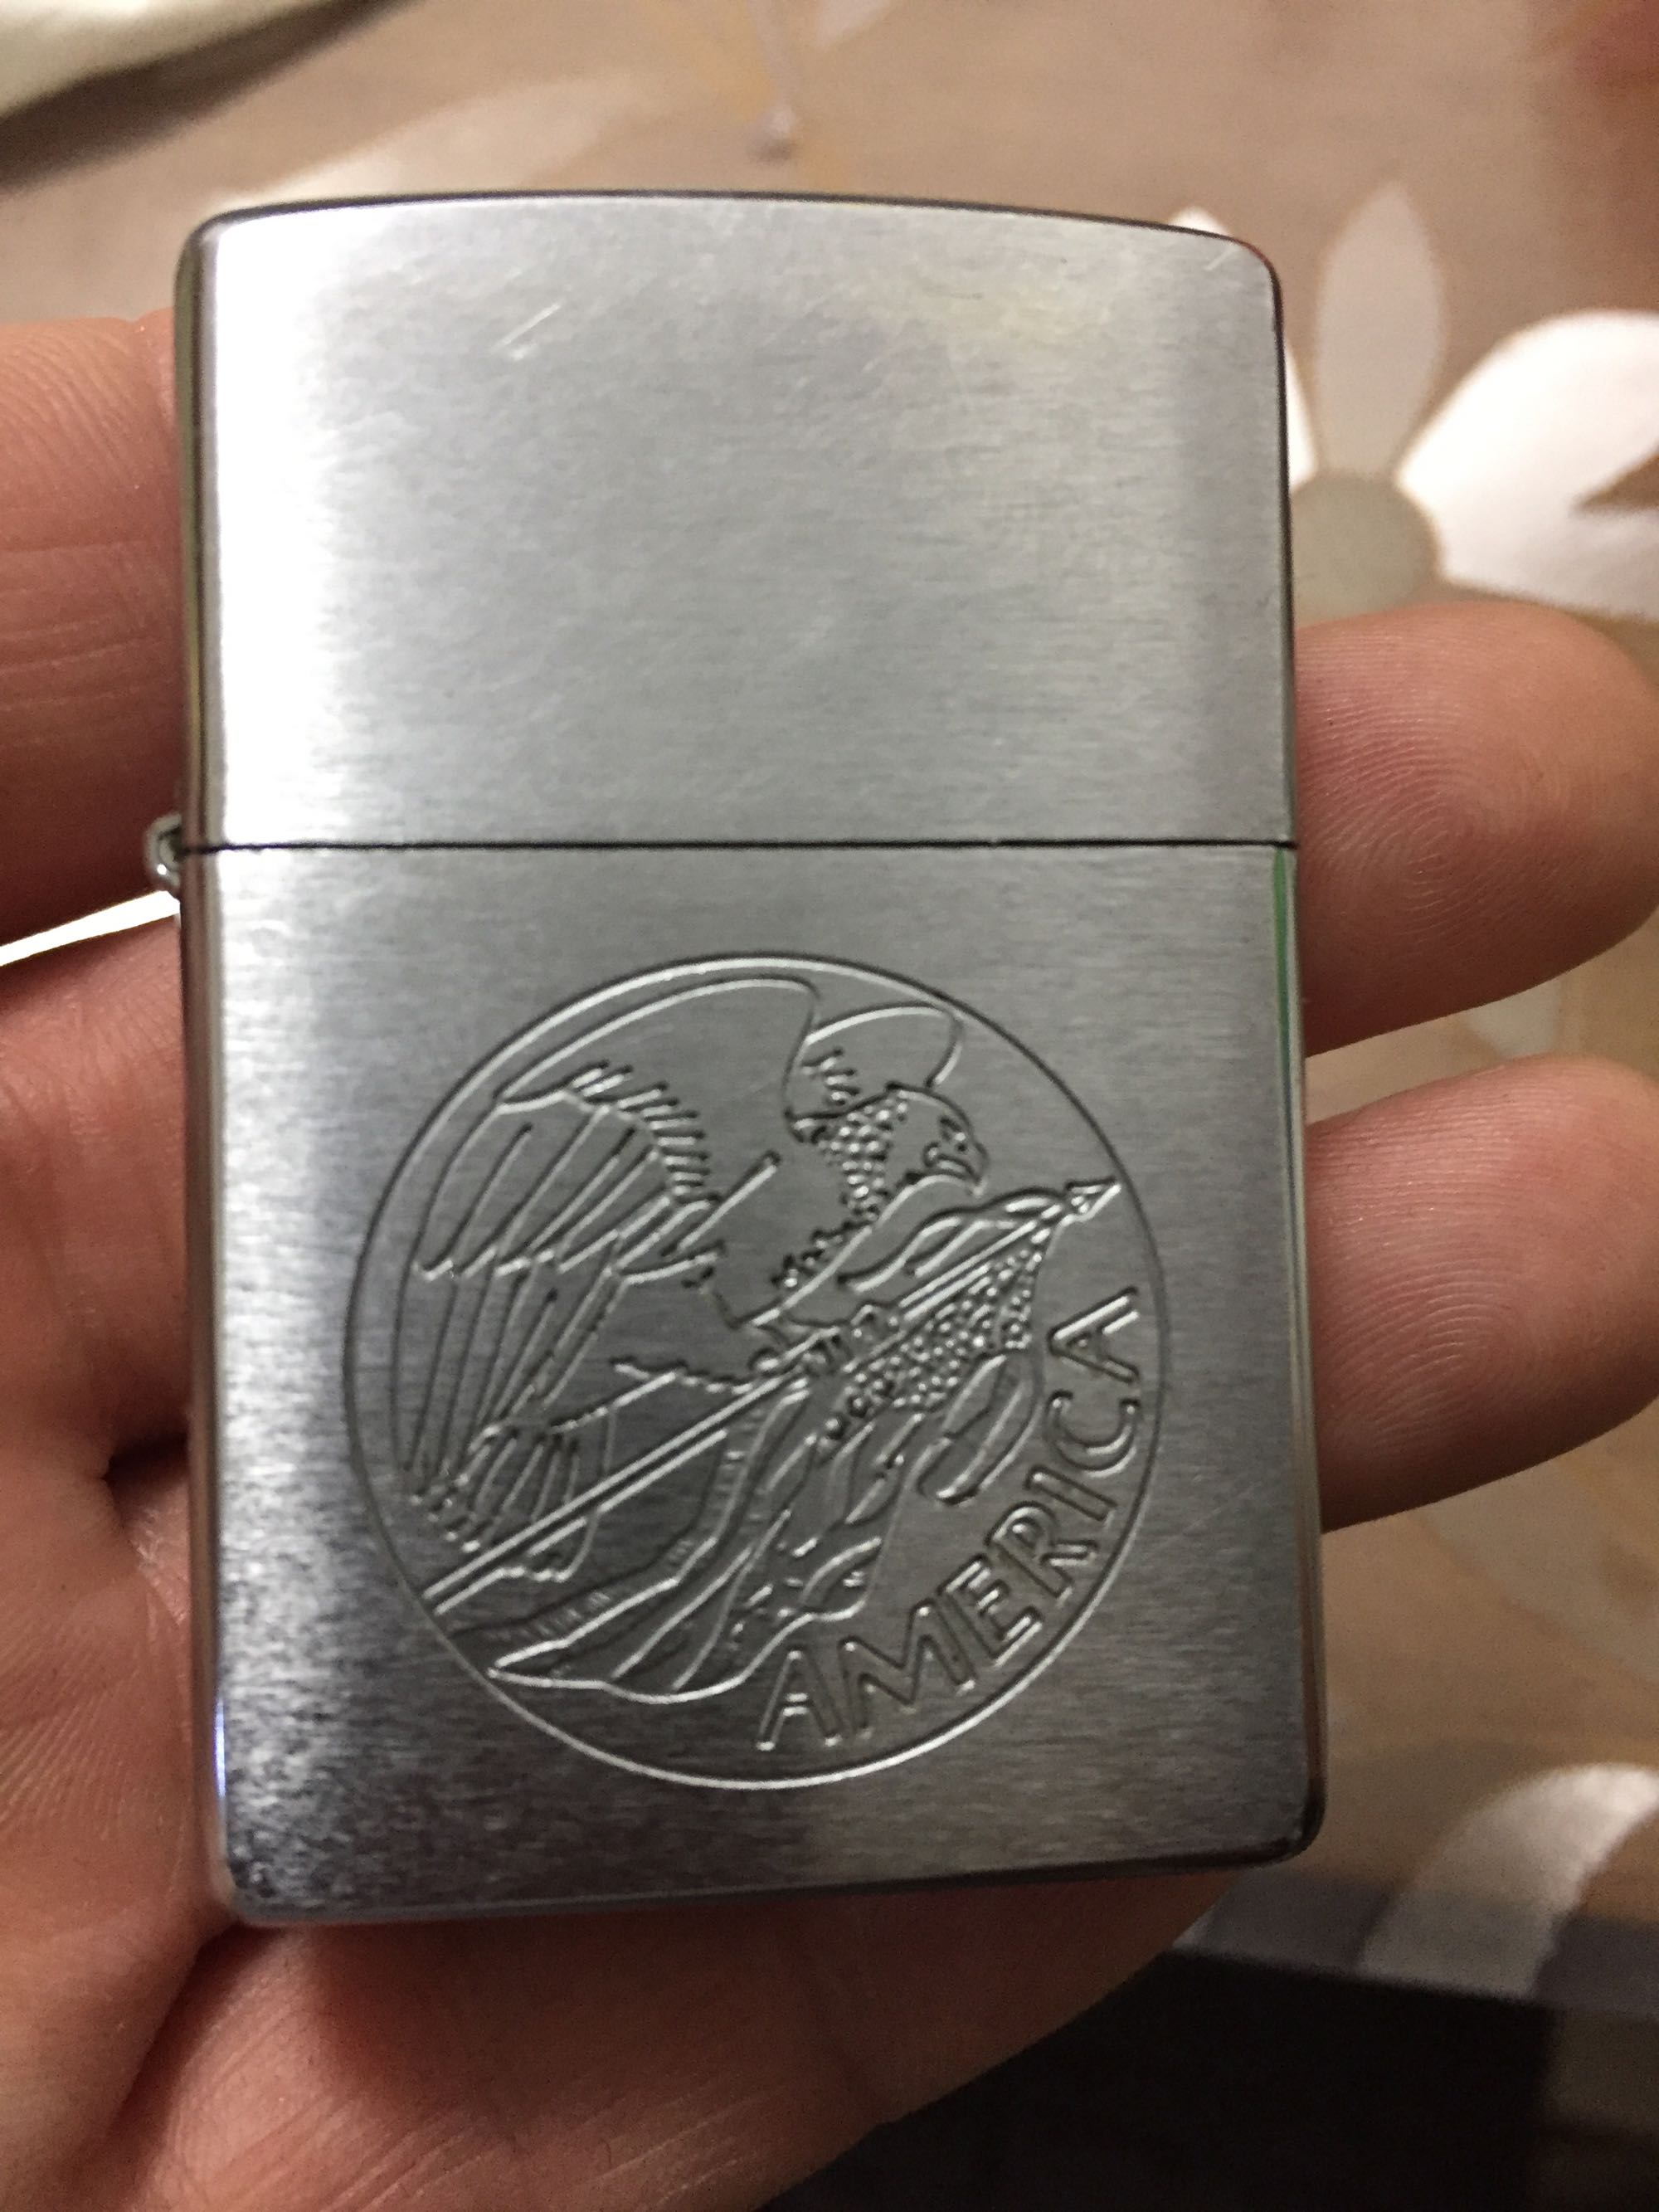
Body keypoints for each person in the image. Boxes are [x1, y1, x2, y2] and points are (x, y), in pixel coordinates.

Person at [3, 309, 1658, 2212]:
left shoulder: (906, 1192)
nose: (861, 1141)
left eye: (872, 1124)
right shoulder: (719, 1215)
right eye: (860, 1119)